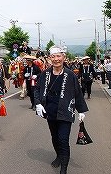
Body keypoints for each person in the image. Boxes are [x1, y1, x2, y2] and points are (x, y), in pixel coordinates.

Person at [34, 45, 88, 174]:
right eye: (53, 56)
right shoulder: (45, 74)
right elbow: (36, 89)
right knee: (54, 137)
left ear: (64, 57)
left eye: (59, 56)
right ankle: (59, 156)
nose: (56, 59)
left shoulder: (70, 75)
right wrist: (38, 103)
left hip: (65, 109)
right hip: (50, 108)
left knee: (63, 139)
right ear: (50, 58)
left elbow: (78, 93)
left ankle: (64, 168)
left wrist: (81, 111)